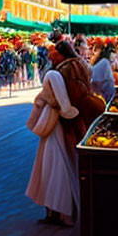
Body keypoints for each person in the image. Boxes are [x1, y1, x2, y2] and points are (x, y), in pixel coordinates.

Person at [25, 62, 80, 226]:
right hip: (54, 125)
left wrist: (48, 102)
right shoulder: (56, 75)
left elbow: (62, 102)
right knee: (51, 164)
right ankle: (56, 211)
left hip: (53, 125)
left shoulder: (53, 76)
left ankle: (61, 212)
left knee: (54, 165)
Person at [54, 40, 101, 161]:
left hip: (74, 108)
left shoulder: (66, 68)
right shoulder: (81, 63)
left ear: (61, 53)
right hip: (86, 105)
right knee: (85, 134)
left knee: (73, 142)